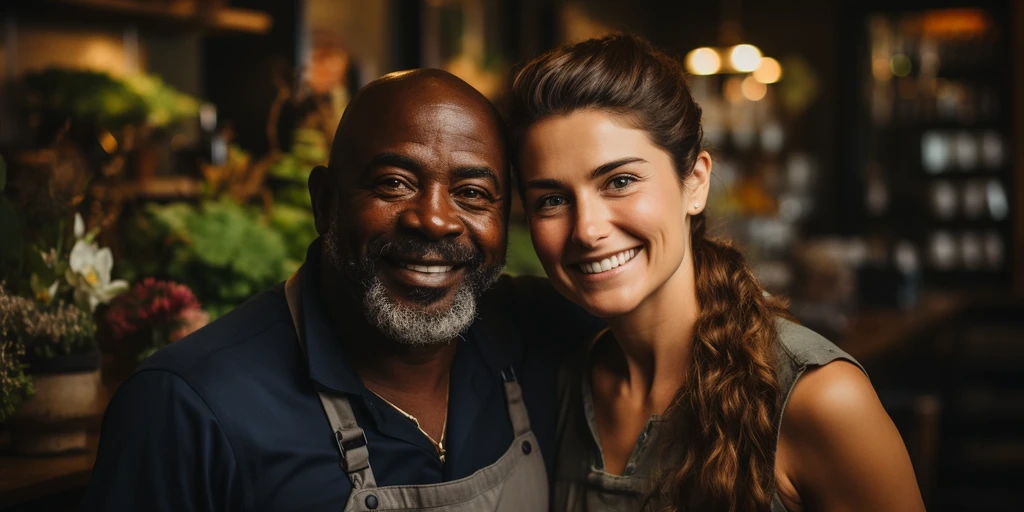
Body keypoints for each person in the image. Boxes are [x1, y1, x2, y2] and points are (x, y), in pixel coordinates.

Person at [81, 69, 600, 511]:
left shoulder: (536, 333)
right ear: (325, 201)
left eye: (472, 193)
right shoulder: (187, 407)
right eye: (395, 183)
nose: (436, 220)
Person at [506, 34, 926, 512]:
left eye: (619, 181)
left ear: (695, 183)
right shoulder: (560, 384)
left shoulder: (820, 399)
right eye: (552, 200)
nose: (587, 229)